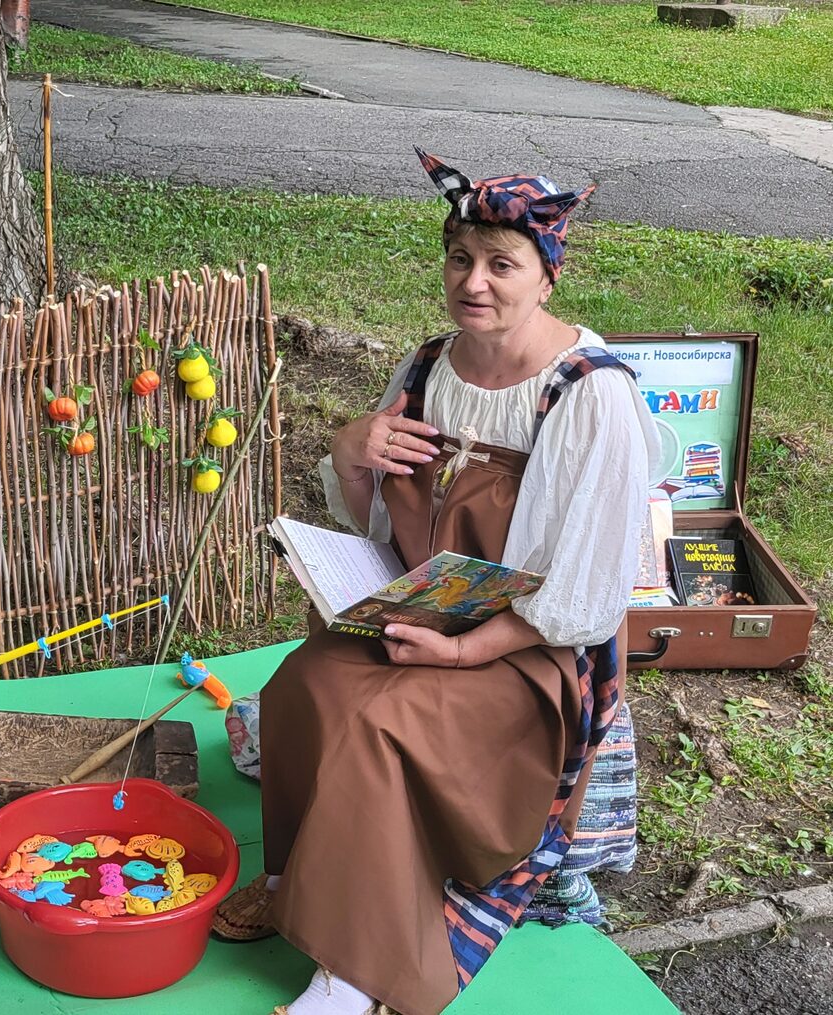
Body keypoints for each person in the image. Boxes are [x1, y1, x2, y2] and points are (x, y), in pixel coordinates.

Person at [210, 149, 656, 1015]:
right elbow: (378, 524)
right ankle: (292, 876)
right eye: (460, 257)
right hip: (426, 610)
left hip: (528, 650)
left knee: (379, 723)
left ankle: (358, 969)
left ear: (547, 277)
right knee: (302, 683)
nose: (473, 282)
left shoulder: (588, 394)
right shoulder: (427, 368)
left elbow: (586, 598)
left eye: (501, 264)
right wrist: (351, 452)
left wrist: (462, 654)